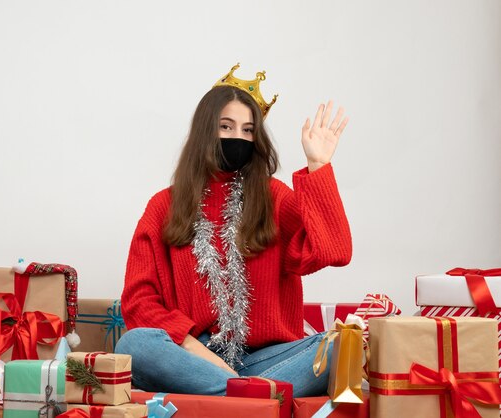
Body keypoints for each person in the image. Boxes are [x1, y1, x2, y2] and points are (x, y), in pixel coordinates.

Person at [115, 64, 352, 397]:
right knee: (134, 344)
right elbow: (139, 302)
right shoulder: (162, 207)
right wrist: (203, 357)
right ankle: (251, 397)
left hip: (267, 358)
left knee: (338, 347)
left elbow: (334, 250)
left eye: (247, 130)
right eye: (226, 126)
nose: (237, 138)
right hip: (192, 356)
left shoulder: (274, 197)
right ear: (204, 131)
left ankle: (236, 397)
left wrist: (318, 166)